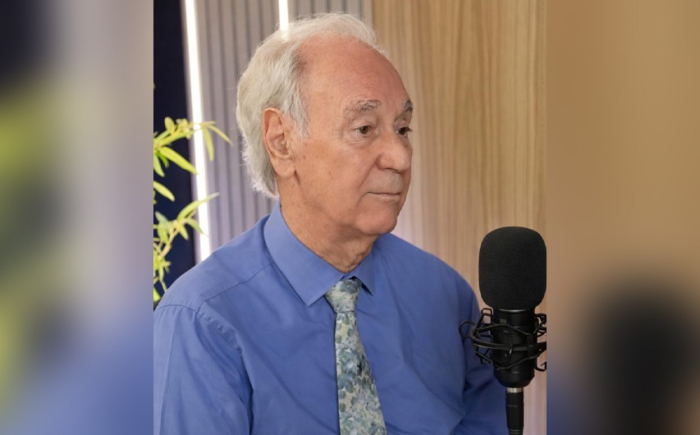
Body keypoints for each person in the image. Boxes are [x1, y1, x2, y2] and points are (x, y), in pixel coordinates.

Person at [154, 13, 506, 435]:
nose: (400, 157)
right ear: (281, 142)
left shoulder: (446, 295)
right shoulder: (203, 319)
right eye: (364, 128)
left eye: (402, 128)